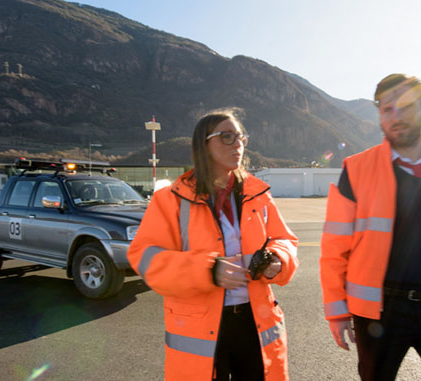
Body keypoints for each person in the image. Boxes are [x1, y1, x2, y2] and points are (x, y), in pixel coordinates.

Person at [319, 74, 421, 380]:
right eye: (387, 109)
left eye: (405, 107)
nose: (396, 117)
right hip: (380, 311)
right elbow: (334, 248)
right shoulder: (356, 169)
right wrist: (337, 310)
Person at [128, 109, 299, 381]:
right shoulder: (169, 200)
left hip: (254, 321)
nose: (238, 144)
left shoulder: (259, 195)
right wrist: (207, 270)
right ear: (203, 144)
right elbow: (145, 258)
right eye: (227, 137)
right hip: (201, 328)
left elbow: (285, 240)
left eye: (241, 137)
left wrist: (278, 259)